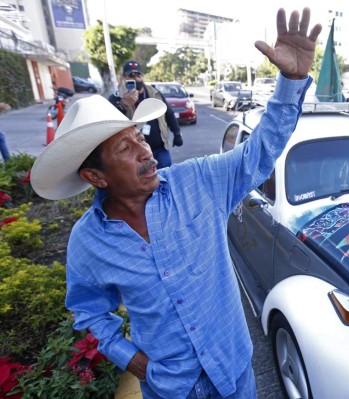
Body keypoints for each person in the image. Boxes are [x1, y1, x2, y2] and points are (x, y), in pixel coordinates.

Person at [29, 8, 321, 399]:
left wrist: (291, 80)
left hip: (235, 376)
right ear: (96, 177)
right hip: (169, 389)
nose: (145, 151)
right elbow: (89, 311)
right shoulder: (89, 242)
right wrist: (135, 363)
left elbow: (260, 152)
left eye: (139, 136)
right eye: (124, 148)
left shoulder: (197, 183)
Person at [108, 60, 183, 169]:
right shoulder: (116, 98)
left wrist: (177, 133)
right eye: (131, 75)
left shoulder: (154, 93)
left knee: (165, 178)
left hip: (160, 149)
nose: (135, 78)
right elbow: (110, 124)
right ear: (123, 77)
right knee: (144, 183)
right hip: (135, 155)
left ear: (142, 77)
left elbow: (169, 113)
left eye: (138, 75)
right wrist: (124, 104)